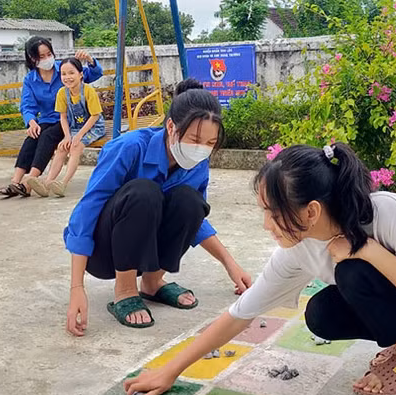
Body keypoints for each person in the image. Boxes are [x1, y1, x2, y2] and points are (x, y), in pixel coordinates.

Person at [124, 143, 396, 395]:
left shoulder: (386, 214)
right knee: (321, 314)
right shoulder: (298, 250)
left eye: (273, 212)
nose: (267, 224)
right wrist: (171, 370)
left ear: (311, 211)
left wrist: (367, 249)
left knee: (353, 272)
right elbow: (240, 314)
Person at [63, 78, 253, 334]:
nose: (200, 150)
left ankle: (152, 282)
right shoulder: (130, 147)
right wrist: (77, 288)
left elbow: (194, 220)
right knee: (144, 192)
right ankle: (125, 290)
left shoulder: (196, 165)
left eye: (210, 143)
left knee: (191, 200)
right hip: (104, 253)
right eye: (195, 139)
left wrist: (230, 264)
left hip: (146, 253)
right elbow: (87, 211)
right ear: (171, 126)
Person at [0, 37, 103, 198]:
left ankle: (29, 182)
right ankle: (15, 181)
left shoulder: (65, 69)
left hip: (67, 120)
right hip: (47, 119)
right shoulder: (31, 79)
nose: (47, 59)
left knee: (47, 136)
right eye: (41, 57)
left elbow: (93, 73)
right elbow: (27, 106)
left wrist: (90, 60)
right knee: (33, 136)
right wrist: (31, 122)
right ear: (32, 59)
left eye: (49, 54)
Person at [28, 57, 106, 198]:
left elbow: (95, 116)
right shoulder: (62, 93)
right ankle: (47, 183)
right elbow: (63, 117)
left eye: (71, 73)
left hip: (93, 127)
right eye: (63, 74)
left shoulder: (88, 91)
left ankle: (63, 183)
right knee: (62, 147)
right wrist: (67, 136)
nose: (67, 77)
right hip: (75, 126)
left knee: (75, 147)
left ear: (81, 74)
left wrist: (78, 136)